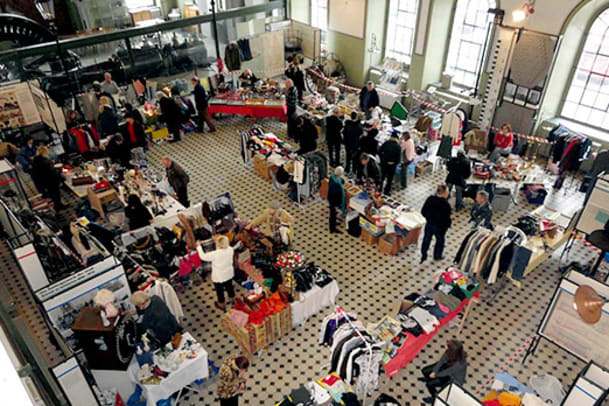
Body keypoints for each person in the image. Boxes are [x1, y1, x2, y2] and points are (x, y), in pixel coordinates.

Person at [197, 235, 235, 311]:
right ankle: (232, 299)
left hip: (219, 277)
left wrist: (198, 247)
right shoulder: (231, 249)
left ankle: (221, 304)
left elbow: (203, 256)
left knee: (219, 291)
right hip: (229, 273)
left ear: (218, 244)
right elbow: (223, 246)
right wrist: (217, 240)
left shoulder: (215, 254)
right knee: (229, 287)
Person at [420, 185, 452, 263]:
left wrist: (429, 218)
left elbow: (423, 211)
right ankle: (437, 256)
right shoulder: (446, 205)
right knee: (440, 241)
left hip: (429, 224)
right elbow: (447, 218)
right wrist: (447, 225)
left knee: (426, 239)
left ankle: (423, 255)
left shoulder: (430, 199)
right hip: (440, 227)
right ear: (444, 193)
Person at [342, 111, 362, 176]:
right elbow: (361, 133)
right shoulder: (358, 127)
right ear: (356, 117)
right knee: (354, 158)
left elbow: (343, 133)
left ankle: (347, 169)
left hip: (347, 143)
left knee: (348, 156)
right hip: (355, 144)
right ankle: (353, 170)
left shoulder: (347, 125)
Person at [327, 166, 346, 233]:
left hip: (331, 199)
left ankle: (334, 223)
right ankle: (332, 229)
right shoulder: (336, 185)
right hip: (333, 201)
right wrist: (338, 204)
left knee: (334, 213)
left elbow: (342, 181)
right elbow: (337, 195)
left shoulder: (333, 178)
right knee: (332, 214)